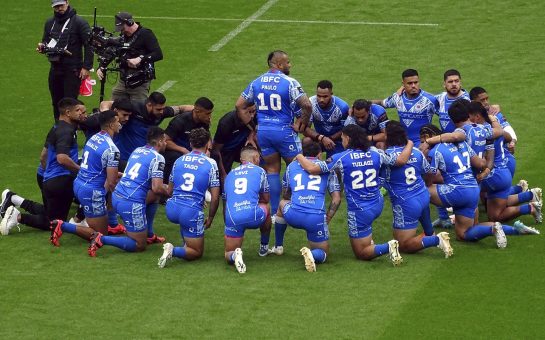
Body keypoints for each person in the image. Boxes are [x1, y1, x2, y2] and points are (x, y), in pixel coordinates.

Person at [294, 125, 413, 265]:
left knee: (362, 253)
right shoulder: (376, 153)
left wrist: (299, 156)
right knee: (366, 232)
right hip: (377, 203)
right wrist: (410, 143)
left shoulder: (341, 157)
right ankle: (369, 240)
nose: (342, 141)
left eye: (342, 138)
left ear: (348, 138)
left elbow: (312, 169)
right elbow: (401, 161)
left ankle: (388, 247)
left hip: (359, 210)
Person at [419, 124, 539, 248]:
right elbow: (481, 163)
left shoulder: (434, 151)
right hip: (473, 189)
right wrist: (485, 168)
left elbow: (429, 178)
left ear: (429, 137)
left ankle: (429, 233)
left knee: (420, 192)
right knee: (464, 233)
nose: (422, 145)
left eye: (422, 141)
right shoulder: (463, 144)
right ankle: (512, 229)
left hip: (458, 191)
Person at [235, 50, 312, 219]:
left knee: (271, 169)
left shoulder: (256, 82)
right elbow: (306, 105)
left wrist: (253, 126)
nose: (290, 65)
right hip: (285, 131)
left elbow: (239, 105)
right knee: (297, 166)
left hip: (264, 132)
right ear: (278, 64)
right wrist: (303, 124)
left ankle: (275, 211)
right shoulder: (289, 82)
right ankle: (299, 205)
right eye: (287, 62)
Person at [0, 98, 87, 235]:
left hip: (48, 179)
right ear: (68, 112)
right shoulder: (67, 132)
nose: (83, 114)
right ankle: (17, 217)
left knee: (50, 213)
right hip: (61, 181)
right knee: (54, 223)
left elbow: (43, 156)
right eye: (78, 111)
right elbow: (62, 158)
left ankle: (13, 199)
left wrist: (49, 176)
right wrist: (80, 170)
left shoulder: (56, 127)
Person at [87, 127, 170, 257]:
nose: (166, 143)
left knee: (155, 196)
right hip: (131, 203)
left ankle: (149, 234)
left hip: (117, 196)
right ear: (159, 141)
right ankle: (101, 239)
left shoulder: (138, 150)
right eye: (165, 141)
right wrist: (172, 193)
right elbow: (157, 187)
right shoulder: (158, 158)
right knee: (139, 245)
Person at [49, 110, 122, 246]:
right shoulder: (112, 150)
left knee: (101, 230)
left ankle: (105, 222)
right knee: (101, 236)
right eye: (118, 121)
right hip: (91, 191)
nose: (120, 124)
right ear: (112, 124)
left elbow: (97, 167)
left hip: (80, 183)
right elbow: (112, 183)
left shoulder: (94, 138)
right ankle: (62, 226)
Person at [381, 121, 453, 257]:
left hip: (405, 202)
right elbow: (428, 171)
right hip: (423, 194)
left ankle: (437, 240)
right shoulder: (416, 152)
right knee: (424, 220)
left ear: (388, 137)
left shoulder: (386, 156)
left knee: (402, 245)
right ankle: (430, 233)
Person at [270, 140, 341, 272]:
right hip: (316, 218)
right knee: (323, 253)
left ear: (303, 153)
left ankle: (278, 247)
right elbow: (336, 198)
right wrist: (328, 218)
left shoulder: (291, 166)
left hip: (293, 215)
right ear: (319, 155)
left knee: (281, 204)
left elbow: (286, 194)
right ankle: (312, 255)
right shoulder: (327, 168)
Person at [157, 128, 220, 268]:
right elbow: (215, 197)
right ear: (208, 144)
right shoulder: (211, 163)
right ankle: (172, 250)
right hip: (190, 211)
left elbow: (170, 190)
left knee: (187, 222)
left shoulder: (179, 160)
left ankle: (186, 243)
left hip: (172, 208)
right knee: (196, 252)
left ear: (190, 143)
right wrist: (210, 217)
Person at [100, 91, 193, 171]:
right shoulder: (134, 107)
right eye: (158, 109)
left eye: (163, 109)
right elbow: (106, 103)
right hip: (126, 156)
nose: (161, 112)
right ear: (149, 105)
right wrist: (107, 115)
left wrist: (197, 109)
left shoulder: (162, 112)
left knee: (173, 157)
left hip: (145, 155)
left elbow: (181, 108)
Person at [38, 0, 93, 121]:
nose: (59, 8)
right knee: (56, 102)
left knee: (70, 103)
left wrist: (86, 67)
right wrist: (42, 46)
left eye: (61, 5)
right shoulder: (50, 23)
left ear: (67, 3)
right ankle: (58, 126)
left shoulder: (79, 22)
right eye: (56, 6)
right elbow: (46, 41)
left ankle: (71, 130)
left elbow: (89, 45)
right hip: (55, 68)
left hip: (72, 70)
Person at [220, 146, 272, 273]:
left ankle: (235, 256)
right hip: (253, 216)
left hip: (233, 218)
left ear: (241, 159)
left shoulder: (230, 175)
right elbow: (266, 198)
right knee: (266, 207)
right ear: (255, 158)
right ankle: (264, 248)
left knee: (228, 253)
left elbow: (225, 202)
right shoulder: (260, 171)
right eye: (259, 158)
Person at [97, 12, 163, 101]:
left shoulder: (146, 34)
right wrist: (101, 66)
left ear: (130, 22)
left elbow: (158, 54)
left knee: (138, 110)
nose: (121, 31)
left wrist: (140, 59)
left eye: (123, 28)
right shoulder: (124, 36)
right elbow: (113, 51)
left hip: (140, 82)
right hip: (123, 81)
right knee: (115, 108)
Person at [374, 69, 438, 147]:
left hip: (422, 144)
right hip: (402, 142)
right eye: (410, 83)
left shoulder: (430, 100)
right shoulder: (397, 97)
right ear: (403, 84)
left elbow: (445, 113)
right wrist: (365, 102)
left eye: (416, 82)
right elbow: (382, 103)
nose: (413, 86)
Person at [163, 97, 214, 183]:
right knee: (175, 157)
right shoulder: (180, 121)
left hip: (193, 151)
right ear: (197, 111)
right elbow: (165, 141)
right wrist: (183, 150)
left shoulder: (204, 121)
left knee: (214, 156)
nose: (210, 117)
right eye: (207, 113)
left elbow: (207, 136)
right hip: (177, 152)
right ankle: (169, 186)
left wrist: (208, 149)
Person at [302, 80, 349, 158]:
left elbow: (346, 129)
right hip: (319, 138)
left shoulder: (342, 107)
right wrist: (322, 138)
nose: (321, 100)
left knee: (333, 163)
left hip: (337, 141)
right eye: (319, 96)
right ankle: (309, 166)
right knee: (307, 141)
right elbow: (304, 129)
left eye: (325, 96)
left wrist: (330, 139)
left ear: (331, 94)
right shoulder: (311, 103)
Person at [211, 104, 257, 182]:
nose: (252, 115)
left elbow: (254, 128)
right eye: (249, 112)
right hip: (226, 151)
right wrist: (223, 174)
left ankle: (251, 179)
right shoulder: (226, 123)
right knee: (223, 182)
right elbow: (216, 150)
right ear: (240, 112)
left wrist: (250, 137)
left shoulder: (254, 116)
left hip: (241, 147)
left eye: (254, 111)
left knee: (256, 146)